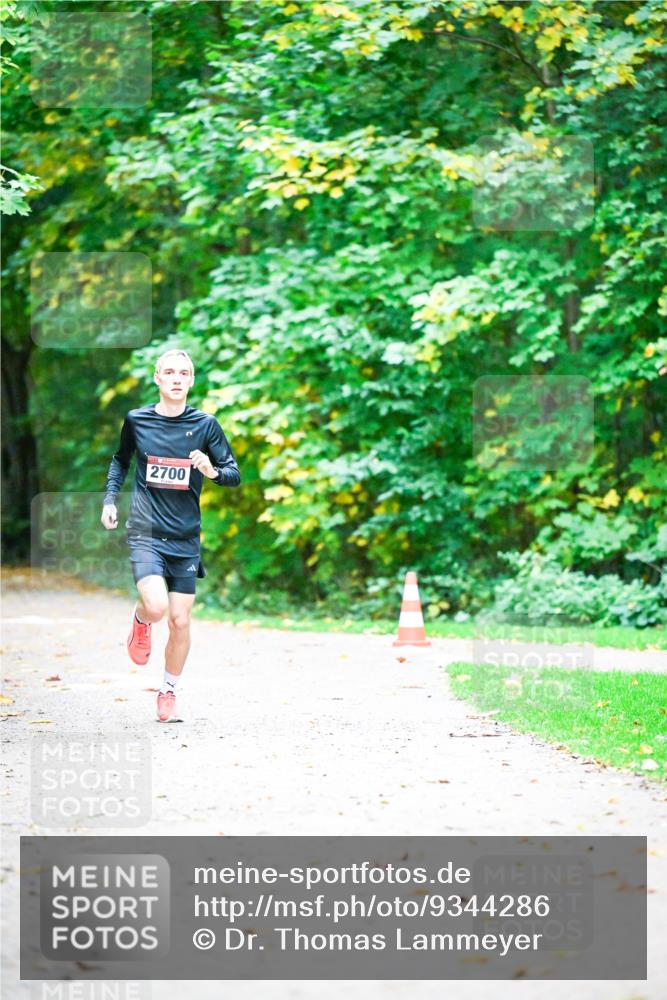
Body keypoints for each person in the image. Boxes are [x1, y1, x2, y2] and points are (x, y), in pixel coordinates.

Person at [100, 349, 240, 722]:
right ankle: (142, 621)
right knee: (158, 608)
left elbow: (233, 473)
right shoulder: (137, 420)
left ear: (191, 380)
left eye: (184, 373)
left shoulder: (206, 425)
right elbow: (120, 460)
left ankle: (168, 691)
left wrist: (211, 470)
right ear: (157, 378)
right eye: (169, 372)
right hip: (146, 531)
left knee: (180, 621)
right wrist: (110, 500)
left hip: (185, 537)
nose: (177, 378)